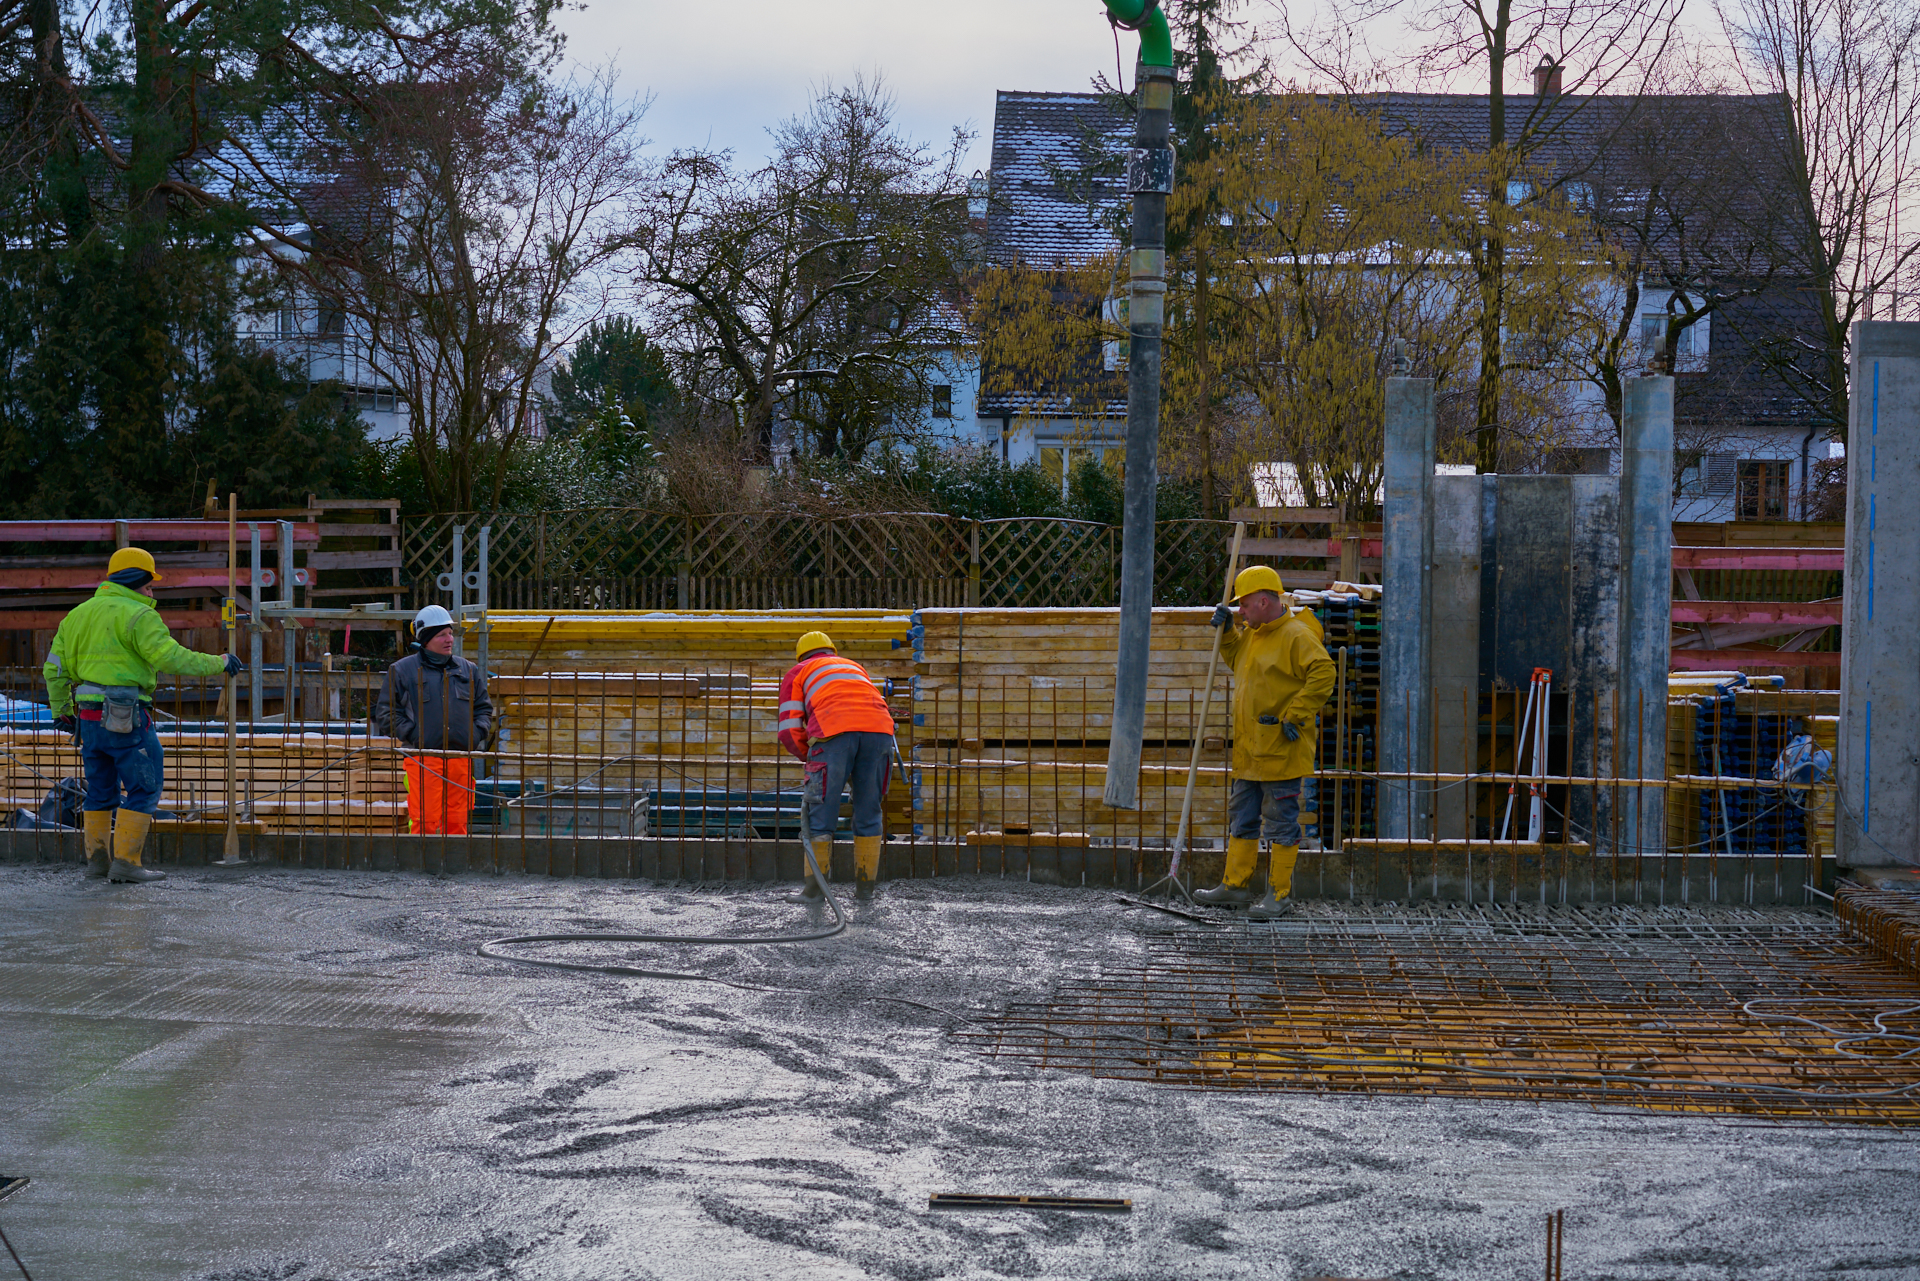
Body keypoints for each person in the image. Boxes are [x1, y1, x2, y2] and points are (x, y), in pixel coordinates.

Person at [43, 547, 242, 883]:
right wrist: (219, 662)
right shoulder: (138, 615)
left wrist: (61, 710)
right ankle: (127, 864)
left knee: (100, 791)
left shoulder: (76, 615)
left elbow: (54, 669)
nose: (152, 593)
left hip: (88, 717)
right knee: (144, 787)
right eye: (150, 585)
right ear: (137, 581)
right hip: (126, 716)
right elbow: (170, 657)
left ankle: (98, 863)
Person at [1193, 566, 1336, 919]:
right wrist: (1228, 633)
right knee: (1242, 819)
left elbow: (1324, 673)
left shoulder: (1296, 636)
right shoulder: (1254, 635)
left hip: (1280, 751)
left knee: (1281, 823)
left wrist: (1295, 715)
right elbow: (1236, 661)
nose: (1240, 612)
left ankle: (1279, 895)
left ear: (1262, 600)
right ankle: (1235, 886)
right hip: (1250, 750)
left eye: (1242, 606)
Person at [777, 630, 896, 901]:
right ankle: (865, 891)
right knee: (869, 812)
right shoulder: (854, 667)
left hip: (833, 733)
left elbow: (788, 729)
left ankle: (814, 891)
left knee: (820, 814)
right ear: (831, 651)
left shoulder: (799, 672)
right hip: (880, 733)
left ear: (801, 655)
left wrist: (810, 757)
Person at [376, 605, 492, 835]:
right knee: (425, 820)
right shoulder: (402, 670)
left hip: (460, 757)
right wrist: (414, 734)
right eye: (442, 635)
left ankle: (454, 867)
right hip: (423, 759)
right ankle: (422, 867)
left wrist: (475, 734)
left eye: (450, 633)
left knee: (457, 821)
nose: (449, 639)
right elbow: (386, 713)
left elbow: (483, 709)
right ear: (426, 639)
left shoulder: (467, 670)